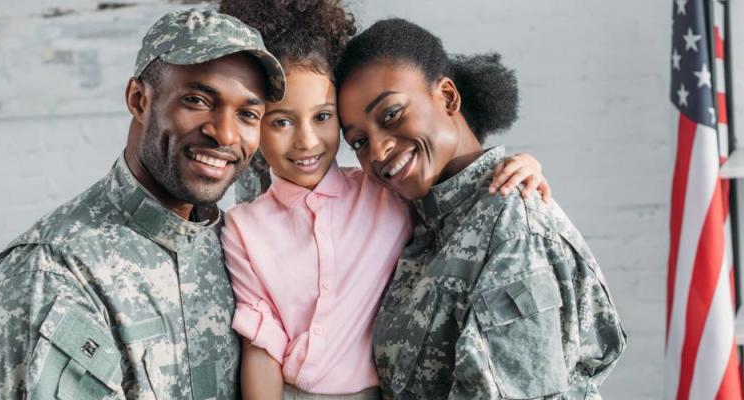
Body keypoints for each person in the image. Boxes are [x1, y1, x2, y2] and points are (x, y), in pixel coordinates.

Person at [216, 1, 552, 399]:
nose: (306, 140)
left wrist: (521, 163)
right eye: (282, 121)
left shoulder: (383, 194)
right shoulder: (243, 227)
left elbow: (455, 185)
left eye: (323, 117)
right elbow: (261, 346)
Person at [0, 9, 285, 399]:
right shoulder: (51, 268)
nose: (224, 133)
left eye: (247, 114)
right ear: (139, 99)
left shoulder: (237, 243)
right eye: (197, 100)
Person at [335, 18, 628, 399]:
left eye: (391, 115)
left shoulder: (512, 224)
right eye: (358, 141)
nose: (377, 150)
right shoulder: (416, 220)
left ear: (447, 97)